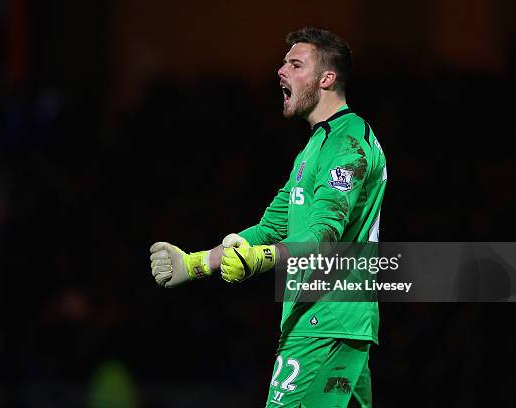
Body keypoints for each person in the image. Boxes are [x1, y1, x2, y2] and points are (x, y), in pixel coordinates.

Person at [150, 27, 387, 408]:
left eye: (295, 64)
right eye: (283, 62)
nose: (281, 70)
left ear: (327, 78)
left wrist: (260, 261)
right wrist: (194, 264)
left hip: (321, 321)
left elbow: (323, 236)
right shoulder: (316, 146)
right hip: (336, 322)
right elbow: (270, 228)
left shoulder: (348, 142)